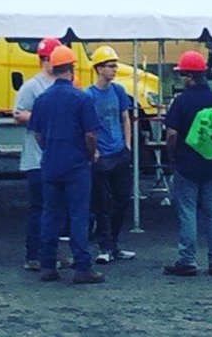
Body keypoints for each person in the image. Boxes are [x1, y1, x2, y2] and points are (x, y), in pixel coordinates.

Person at [29, 45, 105, 285]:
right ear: (72, 69)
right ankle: (82, 267)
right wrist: (90, 155)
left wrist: (50, 150)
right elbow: (91, 134)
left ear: (53, 68)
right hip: (76, 165)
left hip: (50, 164)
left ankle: (48, 265)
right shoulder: (81, 98)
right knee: (78, 215)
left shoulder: (42, 99)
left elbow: (37, 135)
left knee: (50, 214)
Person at [163, 50, 212, 276]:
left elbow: (172, 134)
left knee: (188, 212)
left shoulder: (181, 102)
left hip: (187, 165)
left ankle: (187, 260)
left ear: (188, 77)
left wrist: (172, 155)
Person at [13, 36, 61, 271]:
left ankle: (48, 253)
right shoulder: (32, 86)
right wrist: (46, 119)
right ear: (45, 60)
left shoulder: (62, 83)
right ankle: (34, 255)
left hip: (55, 157)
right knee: (40, 207)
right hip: (36, 158)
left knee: (54, 208)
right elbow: (18, 114)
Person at [86, 45, 135, 264]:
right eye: (109, 66)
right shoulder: (89, 96)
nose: (114, 69)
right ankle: (105, 246)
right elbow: (86, 127)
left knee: (122, 198)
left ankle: (112, 244)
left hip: (118, 153)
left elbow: (125, 117)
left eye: (114, 65)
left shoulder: (119, 91)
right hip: (101, 155)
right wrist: (94, 151)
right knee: (101, 203)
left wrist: (127, 145)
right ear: (98, 68)